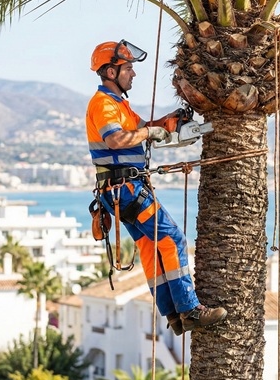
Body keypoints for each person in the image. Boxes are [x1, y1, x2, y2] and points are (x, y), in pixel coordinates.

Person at [86, 39, 226, 334]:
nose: (133, 74)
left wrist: (167, 122)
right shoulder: (103, 105)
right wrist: (151, 130)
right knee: (173, 240)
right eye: (128, 69)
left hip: (122, 192)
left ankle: (173, 314)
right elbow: (116, 139)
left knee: (152, 247)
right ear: (111, 72)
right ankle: (189, 309)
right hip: (126, 190)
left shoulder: (119, 105)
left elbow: (140, 130)